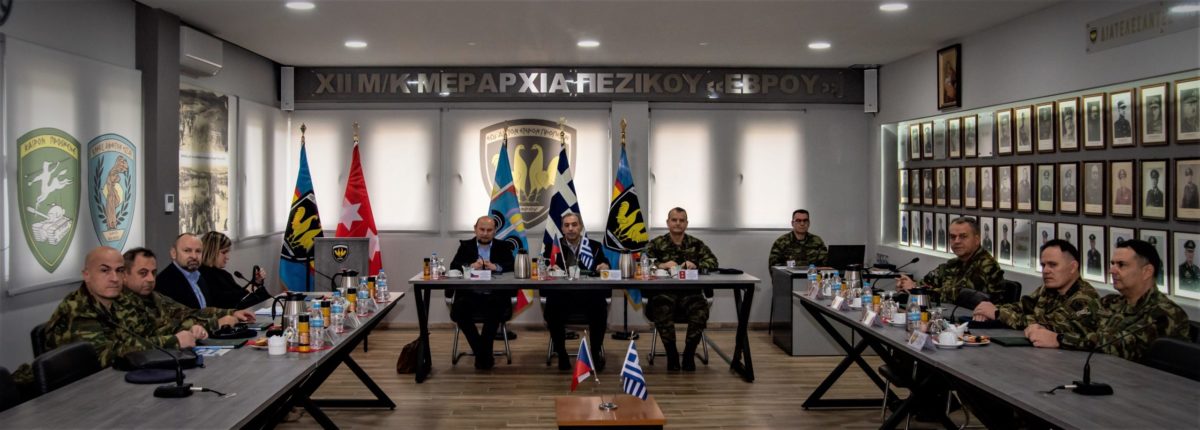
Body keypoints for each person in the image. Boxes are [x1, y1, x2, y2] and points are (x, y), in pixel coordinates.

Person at [1025, 240, 1189, 362]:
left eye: (1121, 265)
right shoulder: (1110, 302)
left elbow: (1117, 345)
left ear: (1147, 271)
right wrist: (1043, 327)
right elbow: (1076, 320)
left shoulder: (1164, 314)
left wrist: (1059, 339)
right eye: (1112, 264)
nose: (1112, 270)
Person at [44, 247, 201, 368]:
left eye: (119, 271)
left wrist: (189, 328)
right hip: (67, 392)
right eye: (104, 270)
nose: (114, 278)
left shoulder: (121, 301)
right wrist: (174, 341)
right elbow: (105, 356)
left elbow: (149, 331)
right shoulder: (78, 309)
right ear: (87, 275)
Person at [645, 207, 718, 371]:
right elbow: (643, 263)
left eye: (681, 220)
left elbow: (713, 262)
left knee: (700, 309)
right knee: (661, 307)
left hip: (690, 293)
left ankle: (689, 354)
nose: (678, 223)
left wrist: (696, 264)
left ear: (686, 223)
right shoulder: (656, 244)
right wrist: (662, 265)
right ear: (668, 222)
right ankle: (672, 355)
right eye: (674, 220)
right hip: (664, 293)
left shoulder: (696, 244)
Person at [973, 240, 1099, 330]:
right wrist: (990, 310)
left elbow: (1049, 324)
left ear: (1073, 267)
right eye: (1043, 265)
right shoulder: (1048, 289)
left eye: (1053, 265)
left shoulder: (1085, 298)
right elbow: (1021, 306)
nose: (1046, 270)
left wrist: (998, 314)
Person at [123, 247, 253, 332]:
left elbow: (190, 312)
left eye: (153, 273)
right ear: (124, 275)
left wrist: (231, 313)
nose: (151, 279)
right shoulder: (122, 303)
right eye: (143, 273)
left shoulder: (155, 297)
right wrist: (214, 324)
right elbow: (153, 334)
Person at [541, 213, 610, 371]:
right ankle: (562, 354)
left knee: (600, 307)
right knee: (552, 308)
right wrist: (549, 268)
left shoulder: (593, 246)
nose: (571, 228)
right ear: (562, 228)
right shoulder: (553, 247)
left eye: (574, 224)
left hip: (588, 297)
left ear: (581, 227)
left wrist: (604, 266)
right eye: (567, 225)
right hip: (562, 298)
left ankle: (595, 354)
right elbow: (543, 267)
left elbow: (605, 263)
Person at [449, 216, 517, 370]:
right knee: (459, 310)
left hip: (494, 295)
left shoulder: (503, 246)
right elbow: (454, 266)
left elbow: (512, 266)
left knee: (495, 309)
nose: (485, 233)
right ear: (475, 229)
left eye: (489, 230)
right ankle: (483, 353)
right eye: (482, 229)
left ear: (495, 231)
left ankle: (481, 355)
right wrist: (470, 266)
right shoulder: (466, 246)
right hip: (470, 295)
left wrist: (496, 267)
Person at [898, 217, 1006, 303]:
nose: (957, 241)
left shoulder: (986, 265)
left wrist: (916, 289)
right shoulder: (953, 264)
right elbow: (927, 281)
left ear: (976, 240)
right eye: (953, 237)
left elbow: (956, 295)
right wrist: (908, 284)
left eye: (963, 236)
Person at [156, 233, 240, 310]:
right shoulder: (164, 282)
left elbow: (207, 310)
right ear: (174, 253)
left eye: (198, 251)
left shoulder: (198, 276)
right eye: (187, 250)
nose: (194, 256)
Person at [199, 231, 260, 309]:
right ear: (211, 251)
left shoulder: (223, 274)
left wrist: (256, 282)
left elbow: (240, 294)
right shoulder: (201, 276)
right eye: (223, 252)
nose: (227, 257)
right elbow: (221, 301)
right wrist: (249, 288)